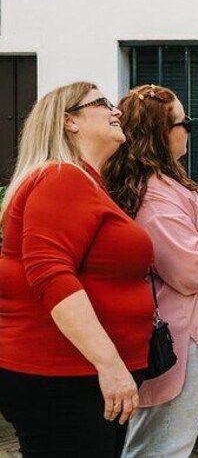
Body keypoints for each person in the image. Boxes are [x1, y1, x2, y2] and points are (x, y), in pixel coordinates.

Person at [0, 82, 153, 457]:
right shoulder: (62, 178)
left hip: (77, 376)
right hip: (64, 377)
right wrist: (110, 364)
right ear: (70, 121)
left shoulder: (83, 180)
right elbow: (50, 274)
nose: (117, 111)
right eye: (103, 103)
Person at [101, 85, 198, 457]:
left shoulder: (164, 179)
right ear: (160, 133)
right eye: (185, 122)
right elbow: (187, 270)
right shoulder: (153, 194)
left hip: (192, 328)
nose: (189, 129)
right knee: (164, 446)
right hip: (182, 335)